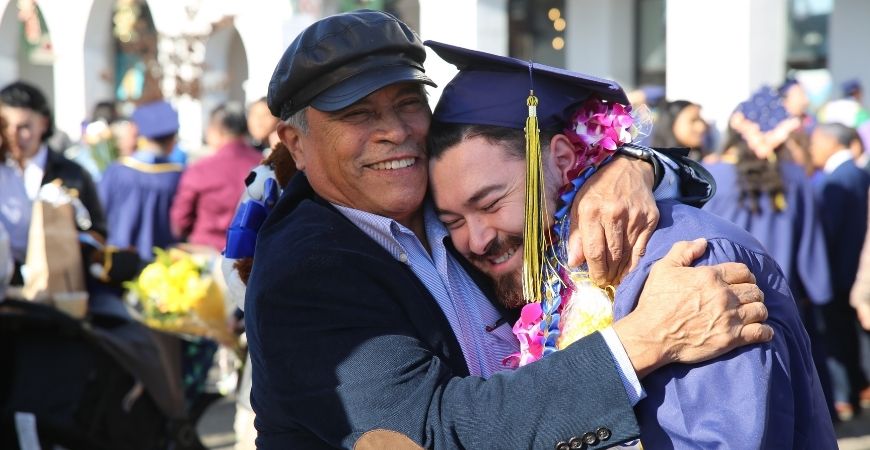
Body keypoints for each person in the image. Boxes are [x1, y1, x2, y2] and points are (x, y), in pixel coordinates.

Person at [245, 10, 772, 449]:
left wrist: (633, 167)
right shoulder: (304, 273)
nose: (394, 131)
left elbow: (535, 172)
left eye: (408, 103)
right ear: (296, 142)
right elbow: (430, 431)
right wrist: (645, 340)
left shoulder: (430, 191)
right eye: (358, 114)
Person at [425, 40, 835, 448]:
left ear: (564, 159)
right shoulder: (537, 272)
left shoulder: (688, 264)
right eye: (452, 220)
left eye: (492, 202)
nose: (476, 240)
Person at [1, 81, 106, 285]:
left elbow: (98, 234)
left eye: (24, 127)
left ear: (44, 123)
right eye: (5, 126)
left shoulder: (72, 174)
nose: (13, 135)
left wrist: (66, 239)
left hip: (61, 287)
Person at [810, 122, 870, 418]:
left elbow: (826, 231)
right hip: (857, 272)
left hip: (837, 272)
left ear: (828, 141)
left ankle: (845, 397)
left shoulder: (835, 180)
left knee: (837, 337)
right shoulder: (859, 173)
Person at [170, 102, 262, 251]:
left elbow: (179, 222)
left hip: (205, 254)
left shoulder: (201, 169)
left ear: (216, 131)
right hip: (251, 255)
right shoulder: (263, 164)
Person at [99, 100, 183, 261]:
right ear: (173, 139)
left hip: (119, 261)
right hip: (163, 264)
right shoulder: (178, 176)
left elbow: (99, 212)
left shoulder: (117, 172)